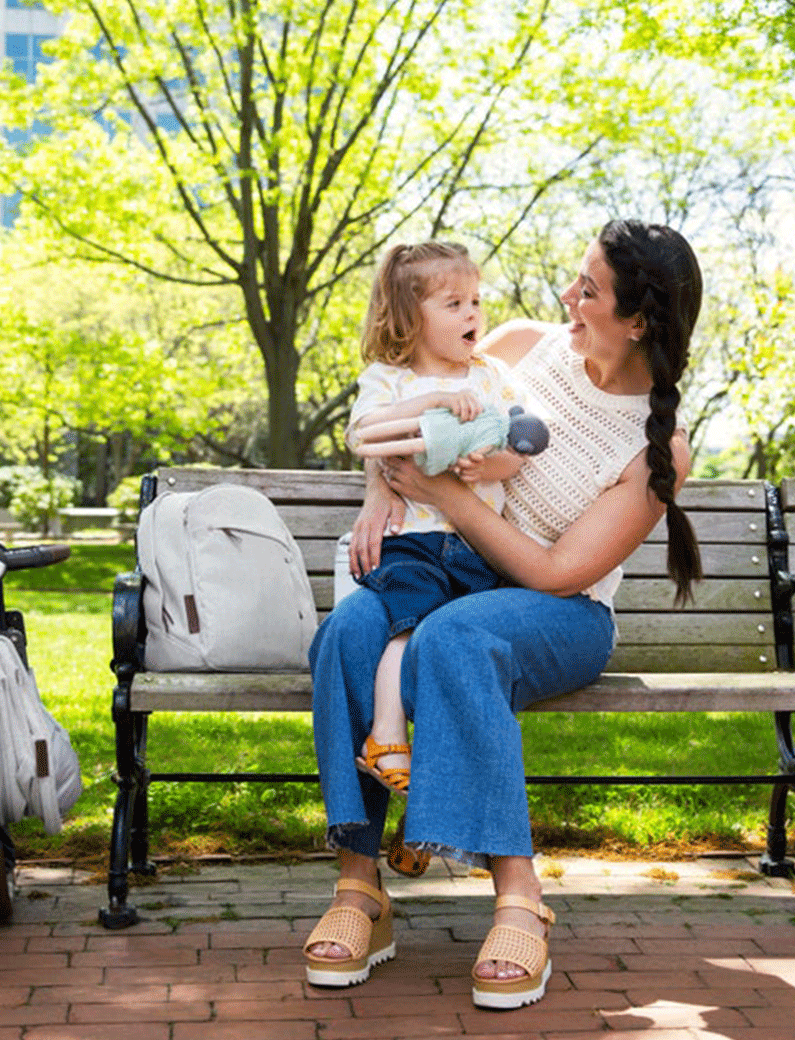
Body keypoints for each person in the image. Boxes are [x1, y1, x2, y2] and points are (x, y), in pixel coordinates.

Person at [302, 219, 703, 1011]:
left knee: (458, 635)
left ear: (638, 322)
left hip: (561, 612)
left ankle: (521, 898)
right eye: (576, 277)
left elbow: (556, 572)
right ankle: (360, 887)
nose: (566, 297)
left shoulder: (659, 448)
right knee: (346, 630)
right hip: (454, 576)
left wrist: (441, 492)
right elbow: (403, 429)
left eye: (589, 290)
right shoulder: (520, 348)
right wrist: (385, 492)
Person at [342, 241, 536, 802]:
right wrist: (437, 402)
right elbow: (364, 435)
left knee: (452, 657)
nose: (473, 313)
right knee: (411, 629)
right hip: (414, 541)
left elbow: (519, 448)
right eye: (453, 304)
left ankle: (427, 798)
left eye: (475, 300)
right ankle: (385, 737)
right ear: (408, 318)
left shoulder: (493, 376)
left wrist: (487, 465)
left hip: (477, 543)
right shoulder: (390, 379)